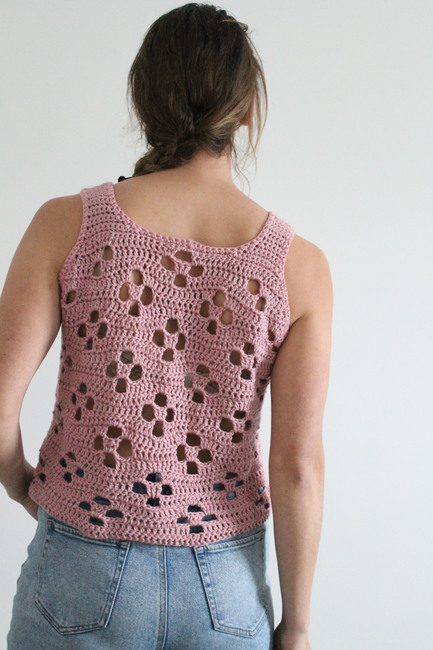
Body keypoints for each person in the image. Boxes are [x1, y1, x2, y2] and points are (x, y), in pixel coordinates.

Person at [2, 3, 332, 649]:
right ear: (245, 111)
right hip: (224, 586)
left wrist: (22, 485)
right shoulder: (299, 267)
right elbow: (297, 466)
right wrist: (295, 626)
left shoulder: (67, 224)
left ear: (144, 99)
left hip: (80, 558)